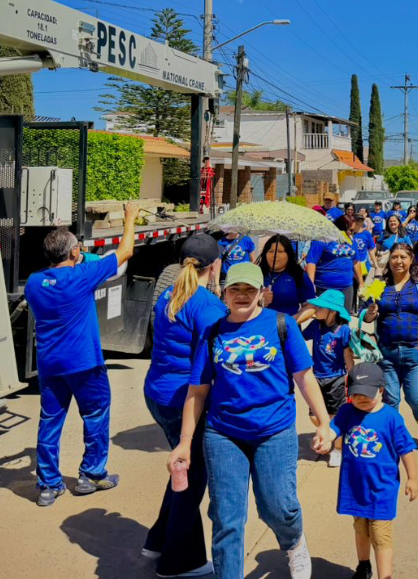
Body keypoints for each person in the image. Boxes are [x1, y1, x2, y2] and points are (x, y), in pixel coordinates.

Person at [167, 262, 333, 579]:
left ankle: (294, 542)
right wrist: (184, 443)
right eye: (235, 289)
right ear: (224, 293)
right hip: (223, 434)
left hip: (274, 430)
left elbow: (305, 377)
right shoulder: (212, 332)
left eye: (249, 290)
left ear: (261, 293)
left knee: (278, 507)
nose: (241, 295)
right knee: (226, 519)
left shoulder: (282, 325)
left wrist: (324, 422)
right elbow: (197, 392)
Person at [25, 201, 138, 507]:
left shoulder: (34, 283)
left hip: (50, 364)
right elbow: (125, 252)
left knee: (50, 421)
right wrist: (129, 220)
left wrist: (75, 254)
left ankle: (48, 485)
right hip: (85, 363)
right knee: (96, 414)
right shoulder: (82, 276)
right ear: (74, 254)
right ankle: (91, 474)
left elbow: (67, 264)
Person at [142, 232, 223, 577]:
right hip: (185, 400)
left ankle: (158, 539)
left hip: (158, 394)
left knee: (181, 465)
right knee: (192, 477)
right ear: (215, 265)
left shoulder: (169, 295)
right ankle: (178, 562)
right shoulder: (208, 306)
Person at [329, 363, 418, 579]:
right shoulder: (347, 411)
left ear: (381, 390)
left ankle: (384, 576)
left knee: (380, 536)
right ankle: (363, 565)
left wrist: (412, 478)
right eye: (356, 394)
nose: (361, 398)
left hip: (381, 489)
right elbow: (334, 429)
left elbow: (406, 449)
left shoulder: (391, 418)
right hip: (355, 487)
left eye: (366, 394)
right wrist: (325, 438)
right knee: (360, 529)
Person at [363, 242, 418, 446]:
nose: (398, 261)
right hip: (387, 354)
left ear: (411, 260)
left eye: (403, 257)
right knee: (391, 400)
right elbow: (366, 315)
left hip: (415, 352)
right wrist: (369, 314)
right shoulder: (379, 286)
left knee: (415, 399)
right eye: (394, 257)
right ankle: (391, 436)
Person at [296, 289, 356, 468]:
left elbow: (347, 356)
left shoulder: (343, 330)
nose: (317, 309)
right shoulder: (316, 325)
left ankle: (337, 450)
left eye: (321, 307)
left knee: (335, 415)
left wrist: (353, 379)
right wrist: (302, 316)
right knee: (315, 416)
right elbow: (298, 337)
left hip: (336, 378)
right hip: (316, 378)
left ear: (333, 311)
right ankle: (329, 432)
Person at [306, 215, 363, 313]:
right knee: (324, 320)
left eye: (353, 231)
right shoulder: (322, 239)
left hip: (346, 287)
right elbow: (311, 262)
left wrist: (361, 283)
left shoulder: (351, 240)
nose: (352, 233)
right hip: (325, 288)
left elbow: (356, 261)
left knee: (344, 320)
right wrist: (310, 284)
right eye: (350, 230)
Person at [258, 234, 317, 317]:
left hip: (287, 328)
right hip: (260, 327)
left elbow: (310, 306)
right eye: (271, 251)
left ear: (288, 254)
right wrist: (259, 301)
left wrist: (291, 322)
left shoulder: (298, 275)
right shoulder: (256, 274)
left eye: (280, 251)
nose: (275, 255)